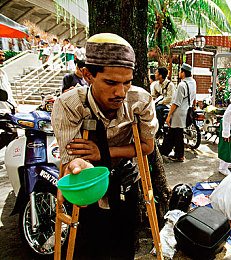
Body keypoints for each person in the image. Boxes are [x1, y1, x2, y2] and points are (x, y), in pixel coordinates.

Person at [51, 33, 158, 259]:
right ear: (88, 75)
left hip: (126, 180)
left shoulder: (140, 100)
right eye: (111, 82)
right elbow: (72, 156)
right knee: (88, 246)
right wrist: (76, 164)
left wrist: (103, 152)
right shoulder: (69, 105)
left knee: (125, 245)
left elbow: (146, 147)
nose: (120, 92)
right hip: (89, 186)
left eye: (127, 82)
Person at [159, 63, 196, 162]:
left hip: (179, 113)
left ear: (183, 73)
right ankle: (164, 152)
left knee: (177, 134)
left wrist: (169, 115)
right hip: (187, 110)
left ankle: (178, 155)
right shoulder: (193, 82)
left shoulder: (182, 85)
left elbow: (176, 103)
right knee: (173, 133)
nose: (179, 73)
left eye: (180, 71)